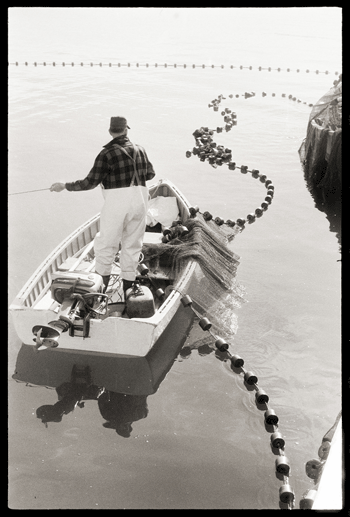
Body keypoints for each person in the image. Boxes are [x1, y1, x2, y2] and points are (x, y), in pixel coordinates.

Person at [50, 116, 155, 293]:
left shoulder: (106, 154)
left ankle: (99, 293)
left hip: (117, 205)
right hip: (140, 203)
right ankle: (130, 292)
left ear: (110, 131)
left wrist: (64, 186)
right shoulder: (140, 150)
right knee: (132, 245)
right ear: (126, 130)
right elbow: (150, 175)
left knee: (106, 245)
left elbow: (89, 182)